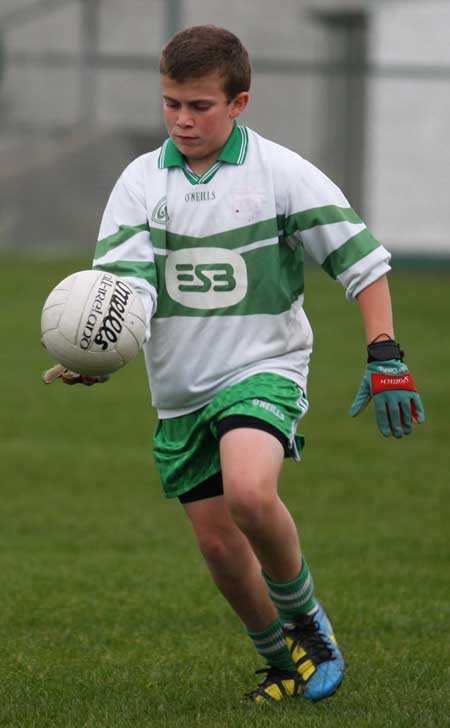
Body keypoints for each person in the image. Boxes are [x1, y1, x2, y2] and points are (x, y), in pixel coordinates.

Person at [43, 25, 425, 703]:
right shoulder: (139, 183)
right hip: (181, 390)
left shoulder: (280, 173)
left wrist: (385, 351)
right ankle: (281, 661)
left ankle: (307, 622)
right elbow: (124, 294)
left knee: (251, 493)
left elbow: (362, 263)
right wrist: (98, 355)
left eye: (199, 106)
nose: (183, 120)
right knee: (220, 550)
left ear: (239, 102)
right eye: (171, 104)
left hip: (264, 367)